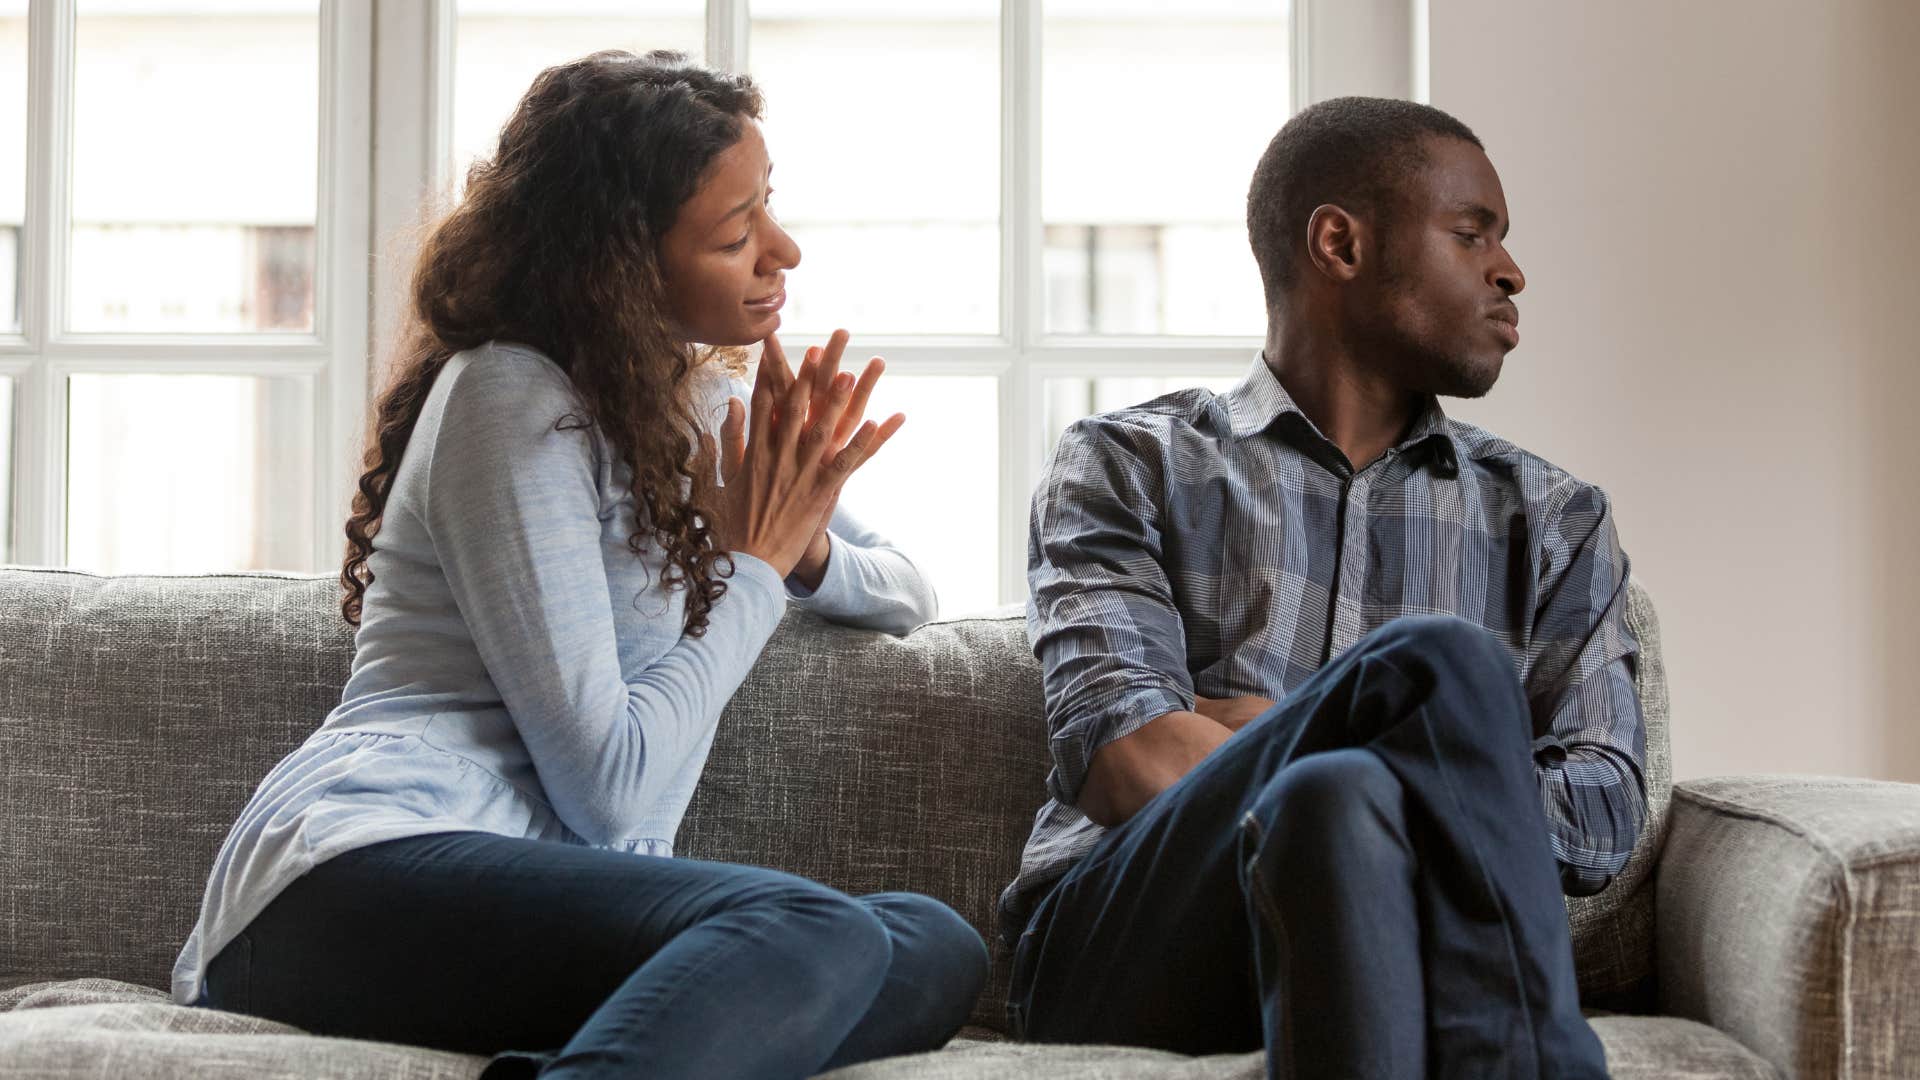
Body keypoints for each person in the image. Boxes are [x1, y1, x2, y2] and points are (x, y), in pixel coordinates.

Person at [172, 50, 987, 1080]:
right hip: (346, 873)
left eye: (767, 208)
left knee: (929, 943)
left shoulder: (700, 413)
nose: (783, 251)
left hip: (536, 897)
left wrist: (805, 540)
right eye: (736, 235)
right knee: (806, 929)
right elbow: (613, 795)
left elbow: (910, 589)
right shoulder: (506, 400)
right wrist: (755, 563)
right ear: (620, 263)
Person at [1001, 96, 1646, 1079]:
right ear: (1339, 244)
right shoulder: (1129, 465)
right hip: (1122, 943)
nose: (1511, 272)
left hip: (1392, 918)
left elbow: (1604, 815)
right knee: (1440, 665)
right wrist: (1445, 753)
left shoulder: (1553, 521)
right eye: (1471, 234)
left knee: (1335, 795)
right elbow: (1129, 758)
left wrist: (1282, 729)